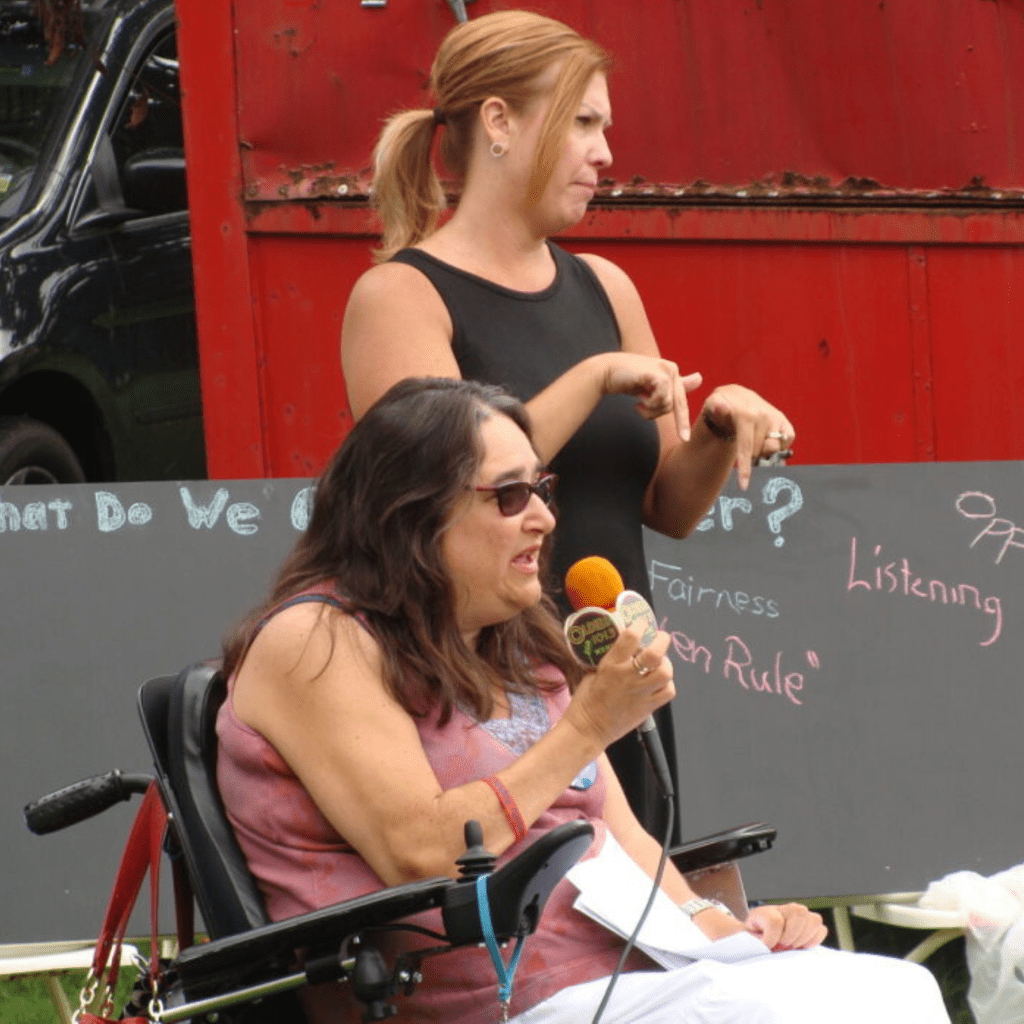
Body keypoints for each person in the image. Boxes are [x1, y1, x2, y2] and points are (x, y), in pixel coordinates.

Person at [216, 377, 950, 1024]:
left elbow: (624, 839)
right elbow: (421, 851)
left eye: (542, 490)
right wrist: (589, 722)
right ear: (408, 515)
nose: (542, 518)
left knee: (897, 989)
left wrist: (722, 926)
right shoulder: (315, 641)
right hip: (496, 996)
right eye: (509, 496)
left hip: (623, 974)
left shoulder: (511, 641)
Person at [340, 10, 796, 835]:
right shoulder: (399, 296)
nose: (606, 152)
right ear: (500, 124)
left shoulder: (608, 287)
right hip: (488, 699)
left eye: (605, 126)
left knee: (643, 930)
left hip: (620, 676)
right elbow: (436, 492)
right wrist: (589, 380)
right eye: (583, 121)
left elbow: (669, 509)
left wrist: (719, 429)